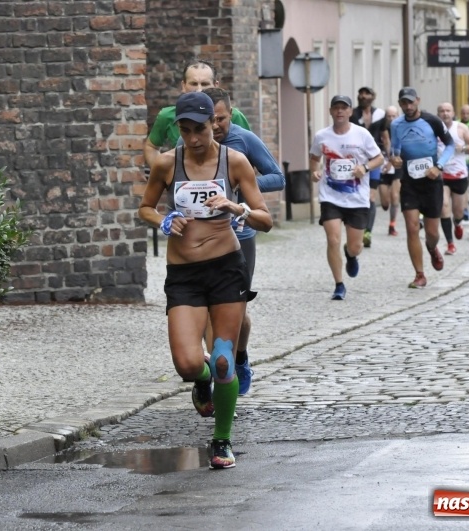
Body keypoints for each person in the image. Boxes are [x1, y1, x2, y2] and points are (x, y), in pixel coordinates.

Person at [138, 91, 273, 469]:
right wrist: (163, 220)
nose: (194, 138)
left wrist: (236, 207)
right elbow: (145, 207)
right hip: (184, 275)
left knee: (224, 362)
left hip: (226, 269)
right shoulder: (167, 163)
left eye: (200, 129)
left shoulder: (235, 162)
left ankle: (221, 440)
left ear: (214, 123)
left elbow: (265, 219)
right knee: (186, 363)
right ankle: (201, 380)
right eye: (185, 130)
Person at [196, 87, 285, 396]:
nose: (215, 125)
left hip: (241, 236)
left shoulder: (243, 140)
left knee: (236, 309)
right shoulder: (190, 143)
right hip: (204, 236)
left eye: (221, 119)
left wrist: (241, 182)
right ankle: (214, 372)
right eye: (210, 120)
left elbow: (278, 177)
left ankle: (241, 357)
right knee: (206, 307)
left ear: (231, 115)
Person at [310, 95, 384, 300]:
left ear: (350, 111)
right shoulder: (322, 136)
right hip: (330, 196)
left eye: (344, 108)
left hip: (357, 198)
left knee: (355, 246)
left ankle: (351, 255)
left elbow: (379, 158)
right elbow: (314, 158)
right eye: (336, 108)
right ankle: (339, 284)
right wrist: (314, 172)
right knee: (332, 239)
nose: (340, 111)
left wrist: (365, 167)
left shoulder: (362, 134)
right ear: (330, 111)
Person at [389, 87, 455, 289]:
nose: (408, 106)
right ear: (400, 104)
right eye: (404, 103)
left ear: (417, 100)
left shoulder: (432, 121)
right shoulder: (396, 124)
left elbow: (450, 145)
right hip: (409, 182)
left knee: (432, 233)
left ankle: (432, 248)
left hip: (431, 182)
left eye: (411, 102)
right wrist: (395, 159)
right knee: (412, 227)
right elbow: (395, 150)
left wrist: (439, 166)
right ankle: (419, 275)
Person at [144, 60, 250, 168]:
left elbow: (249, 153)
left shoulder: (233, 116)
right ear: (183, 85)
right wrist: (163, 173)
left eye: (205, 84)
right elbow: (151, 147)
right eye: (194, 84)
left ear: (216, 86)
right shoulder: (167, 115)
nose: (199, 90)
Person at [350, 87, 390, 248]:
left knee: (370, 197)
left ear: (373, 96)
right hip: (355, 161)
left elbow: (385, 137)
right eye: (360, 94)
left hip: (374, 160)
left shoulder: (380, 114)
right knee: (357, 195)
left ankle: (367, 232)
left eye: (366, 94)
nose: (363, 96)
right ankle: (356, 228)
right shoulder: (352, 114)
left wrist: (389, 158)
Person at [436, 102, 469, 255]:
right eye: (442, 111)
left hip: (459, 175)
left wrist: (464, 148)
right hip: (442, 175)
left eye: (448, 110)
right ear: (438, 114)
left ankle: (458, 223)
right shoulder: (434, 129)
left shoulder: (461, 128)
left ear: (453, 113)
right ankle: (450, 244)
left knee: (458, 212)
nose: (445, 113)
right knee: (444, 207)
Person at [381, 105, 403, 236]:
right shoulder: (380, 128)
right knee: (384, 203)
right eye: (388, 116)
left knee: (395, 196)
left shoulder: (401, 128)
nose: (391, 119)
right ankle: (386, 206)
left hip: (397, 165)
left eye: (393, 116)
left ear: (398, 116)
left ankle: (392, 225)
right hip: (382, 165)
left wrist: (391, 161)